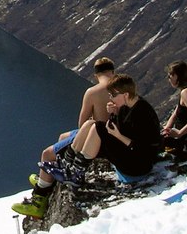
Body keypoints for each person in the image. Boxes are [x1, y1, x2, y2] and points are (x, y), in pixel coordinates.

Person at [12, 73, 160, 218]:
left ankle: (75, 172)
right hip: (130, 156)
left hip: (138, 166)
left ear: (126, 95)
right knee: (91, 124)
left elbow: (142, 148)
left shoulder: (142, 113)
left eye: (113, 95)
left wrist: (117, 135)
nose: (111, 98)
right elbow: (123, 129)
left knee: (98, 128)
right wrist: (114, 113)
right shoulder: (127, 106)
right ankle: (69, 165)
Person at [10, 57, 116, 219]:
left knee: (46, 154)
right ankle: (47, 179)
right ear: (112, 71)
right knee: (63, 136)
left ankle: (39, 200)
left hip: (94, 138)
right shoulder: (122, 88)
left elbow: (82, 124)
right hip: (112, 136)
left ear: (96, 74)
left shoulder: (93, 92)